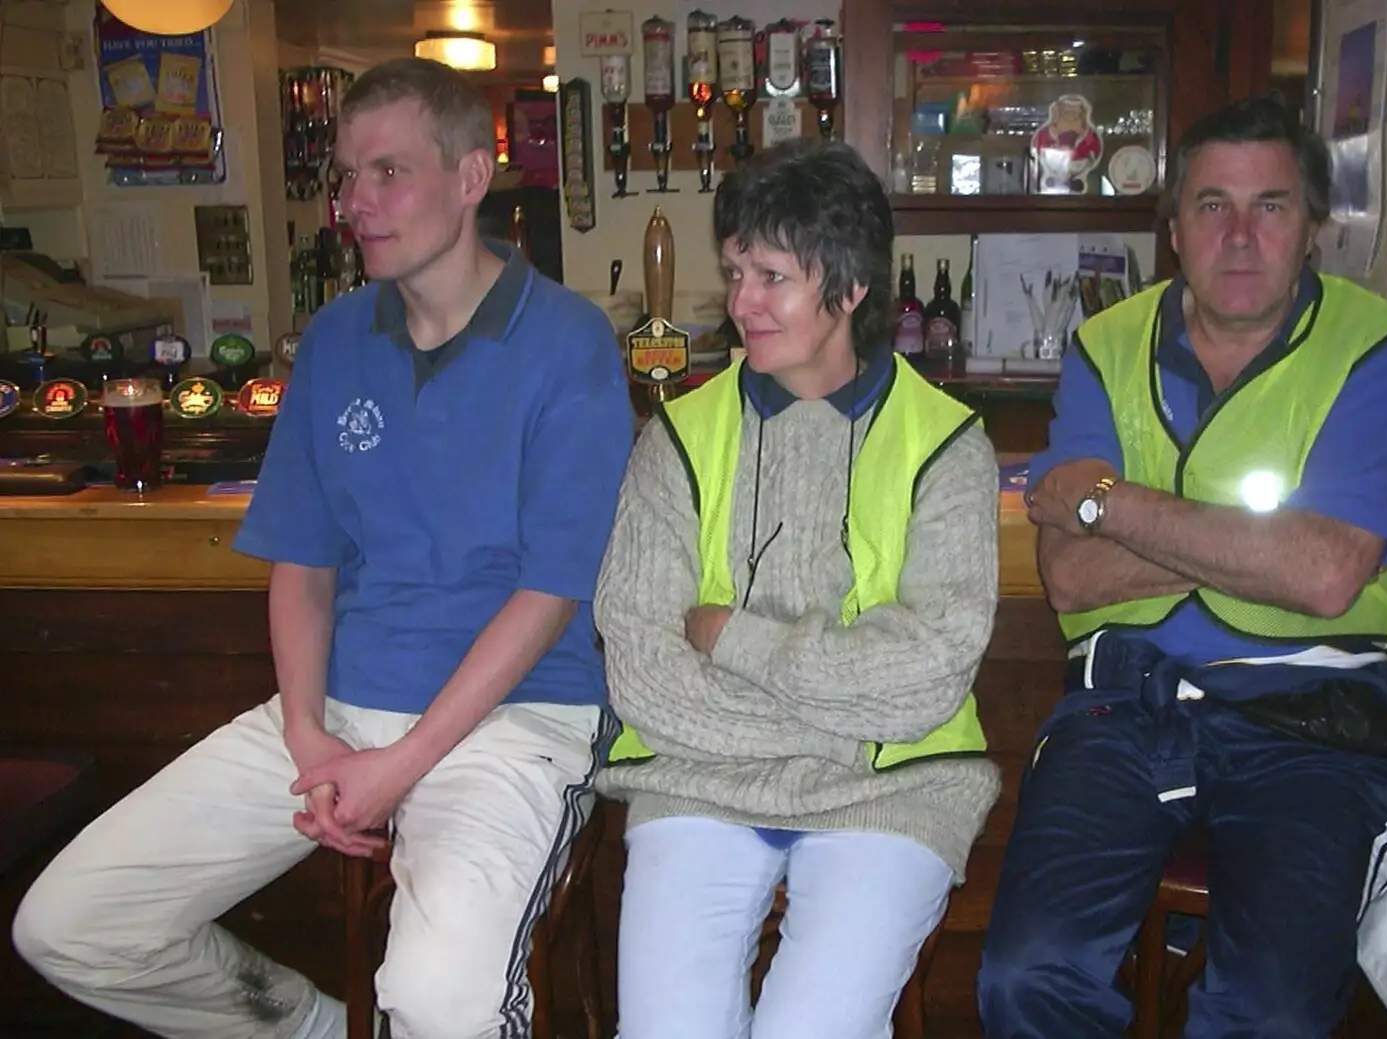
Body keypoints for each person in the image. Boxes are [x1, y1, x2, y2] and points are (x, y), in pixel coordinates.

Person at [12, 57, 634, 1039]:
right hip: (339, 709)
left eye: (388, 172)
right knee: (73, 923)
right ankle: (308, 1029)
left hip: (516, 720)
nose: (355, 202)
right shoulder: (336, 339)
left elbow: (550, 592)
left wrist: (405, 762)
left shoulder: (569, 343)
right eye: (345, 175)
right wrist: (307, 727)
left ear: (471, 179)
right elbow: (301, 561)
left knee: (439, 1000)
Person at [978, 95, 1387, 1039]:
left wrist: (1112, 504)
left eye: (1270, 206)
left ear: (1312, 224)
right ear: (1173, 226)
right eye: (1211, 206)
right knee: (1024, 976)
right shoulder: (1104, 348)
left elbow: (1325, 577)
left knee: (1267, 1010)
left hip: (1311, 716)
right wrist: (1257, 546)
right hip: (1123, 705)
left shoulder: (1380, 350)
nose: (1240, 236)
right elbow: (1070, 579)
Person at [593, 137, 1001, 1039]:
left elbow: (928, 673)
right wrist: (834, 721)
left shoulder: (947, 444)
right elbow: (641, 664)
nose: (741, 303)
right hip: (702, 779)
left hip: (894, 789)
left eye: (771, 276)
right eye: (735, 271)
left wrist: (734, 640)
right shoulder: (678, 437)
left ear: (850, 289)